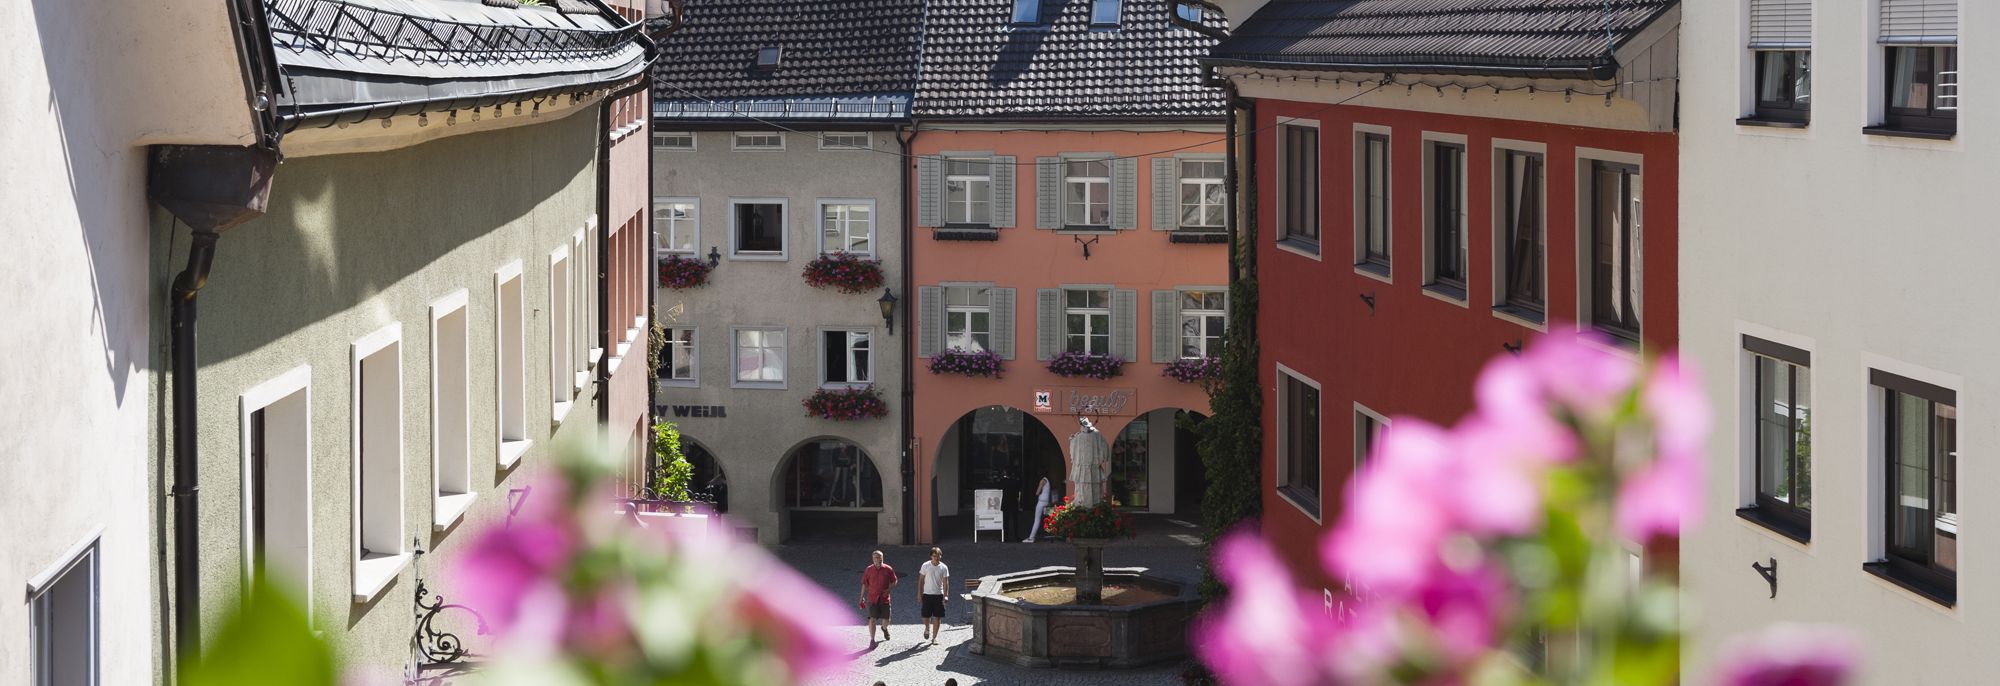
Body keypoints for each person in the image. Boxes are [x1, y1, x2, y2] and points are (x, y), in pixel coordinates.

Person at [859, 550, 899, 644]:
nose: (879, 559)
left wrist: (889, 589)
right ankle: (872, 640)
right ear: (873, 559)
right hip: (872, 599)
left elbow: (894, 580)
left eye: (880, 557)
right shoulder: (869, 569)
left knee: (886, 619)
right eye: (876, 557)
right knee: (872, 619)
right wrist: (861, 597)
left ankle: (884, 628)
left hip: (885, 598)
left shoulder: (888, 569)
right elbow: (864, 584)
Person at [917, 547, 951, 645]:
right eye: (934, 556)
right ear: (931, 556)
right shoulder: (925, 565)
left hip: (938, 595)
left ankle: (934, 637)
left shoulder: (944, 567)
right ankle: (927, 628)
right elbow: (921, 581)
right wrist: (919, 593)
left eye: (938, 555)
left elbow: (946, 582)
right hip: (927, 594)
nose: (936, 558)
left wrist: (946, 595)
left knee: (937, 617)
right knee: (925, 615)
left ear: (941, 556)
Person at [1023, 476, 1052, 543]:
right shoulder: (1048, 481)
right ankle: (1050, 534)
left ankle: (1031, 537)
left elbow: (1037, 492)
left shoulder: (1042, 480)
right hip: (1046, 502)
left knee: (1037, 520)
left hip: (1041, 502)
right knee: (1048, 519)